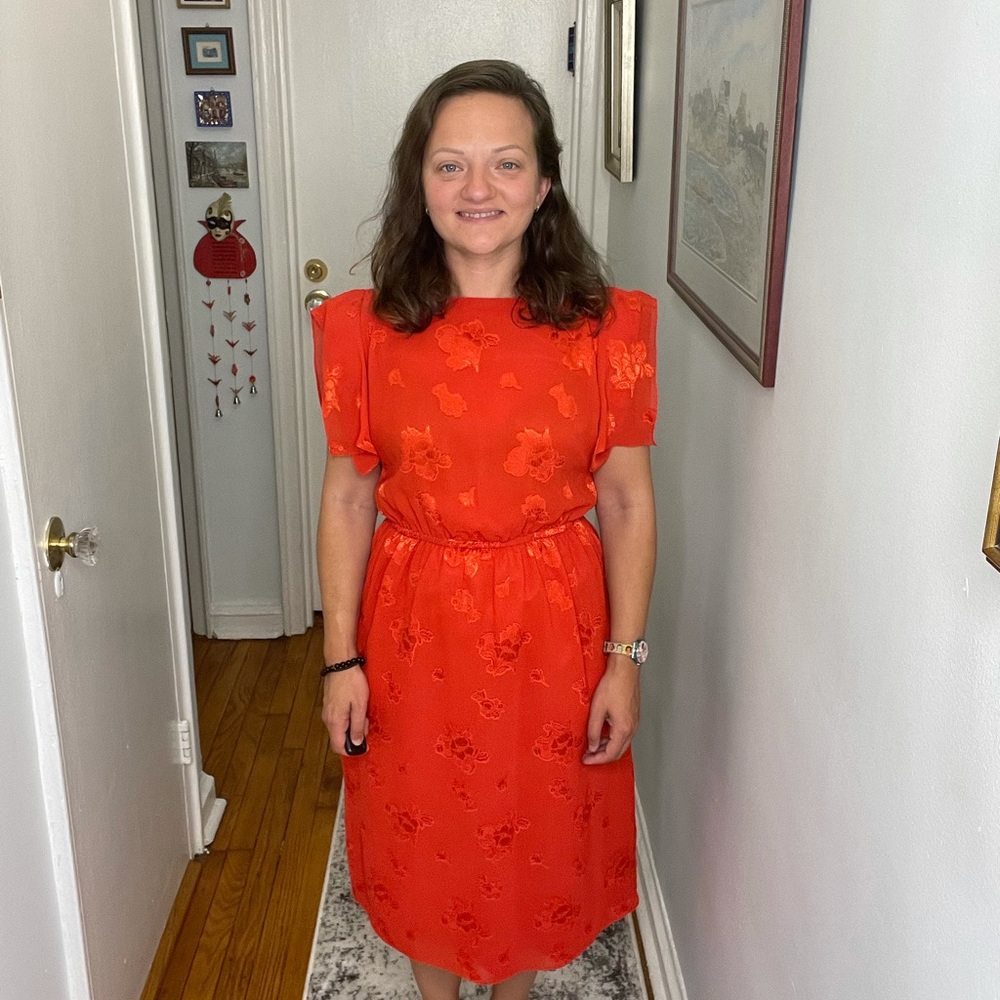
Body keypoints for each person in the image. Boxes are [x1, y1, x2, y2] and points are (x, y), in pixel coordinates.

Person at [311, 59, 657, 1000]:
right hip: (414, 628)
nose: (477, 189)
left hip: (554, 630)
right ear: (417, 185)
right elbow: (347, 500)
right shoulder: (365, 330)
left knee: (536, 843)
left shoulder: (604, 331)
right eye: (449, 165)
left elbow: (625, 500)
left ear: (544, 183)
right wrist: (340, 659)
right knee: (426, 838)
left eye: (505, 164)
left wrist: (625, 658)